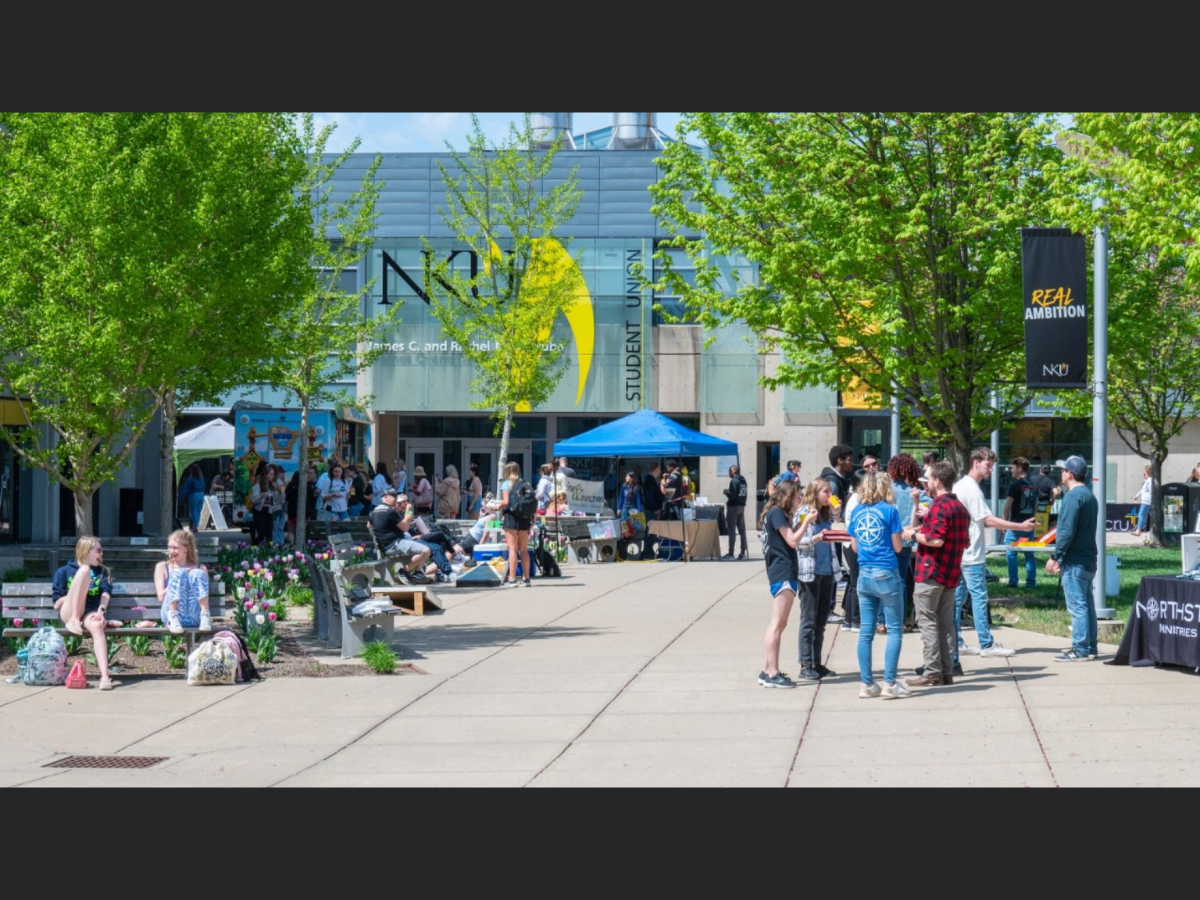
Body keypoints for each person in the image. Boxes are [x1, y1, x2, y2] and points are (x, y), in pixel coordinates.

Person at [952, 447, 1036, 663]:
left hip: (960, 553)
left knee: (957, 599)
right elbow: (988, 520)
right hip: (971, 555)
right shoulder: (972, 489)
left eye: (992, 465)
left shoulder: (961, 485)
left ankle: (956, 641)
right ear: (976, 462)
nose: (991, 470)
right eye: (988, 465)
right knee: (978, 597)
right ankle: (986, 643)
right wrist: (1019, 526)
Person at [903, 460, 969, 687]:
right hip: (951, 574)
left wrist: (911, 536)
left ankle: (932, 671)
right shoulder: (959, 507)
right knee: (945, 623)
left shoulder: (940, 506)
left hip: (931, 573)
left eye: (929, 478)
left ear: (938, 481)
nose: (926, 483)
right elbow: (963, 541)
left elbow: (937, 540)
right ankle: (946, 670)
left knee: (928, 622)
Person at [848, 471, 908, 699]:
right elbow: (898, 547)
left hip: (864, 574)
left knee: (865, 632)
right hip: (887, 574)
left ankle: (867, 684)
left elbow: (854, 547)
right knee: (894, 630)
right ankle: (890, 683)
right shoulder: (890, 511)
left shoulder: (856, 511)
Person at [1049, 455, 1100, 661]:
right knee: (1087, 606)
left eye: (1063, 470)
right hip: (1088, 558)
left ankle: (1080, 649)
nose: (1061, 473)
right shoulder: (1089, 495)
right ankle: (1091, 647)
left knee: (1077, 606)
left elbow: (1066, 531)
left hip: (1075, 560)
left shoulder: (1072, 497)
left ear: (1069, 474)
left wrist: (1056, 556)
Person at [51, 536, 118, 690]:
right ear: (86, 551)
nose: (101, 554)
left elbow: (105, 594)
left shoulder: (103, 571)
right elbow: (56, 604)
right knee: (84, 570)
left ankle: (105, 677)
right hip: (68, 612)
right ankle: (74, 619)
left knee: (96, 626)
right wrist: (78, 591)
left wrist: (101, 611)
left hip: (89, 612)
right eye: (98, 550)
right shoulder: (64, 571)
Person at [757, 478, 805, 688]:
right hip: (783, 571)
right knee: (778, 624)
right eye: (797, 495)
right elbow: (793, 540)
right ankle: (772, 672)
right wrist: (806, 522)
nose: (800, 498)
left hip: (779, 570)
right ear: (788, 496)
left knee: (777, 623)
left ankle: (767, 670)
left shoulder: (775, 513)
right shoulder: (776, 513)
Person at [795, 477, 838, 681]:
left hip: (826, 571)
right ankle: (805, 664)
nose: (829, 496)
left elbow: (834, 538)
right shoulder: (804, 513)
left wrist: (836, 516)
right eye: (826, 492)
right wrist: (816, 537)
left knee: (821, 621)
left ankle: (817, 662)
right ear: (815, 493)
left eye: (830, 492)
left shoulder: (825, 514)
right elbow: (796, 543)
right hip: (809, 572)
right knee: (808, 620)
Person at [887, 453, 928, 629]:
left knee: (884, 580)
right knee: (901, 580)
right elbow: (934, 505)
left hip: (885, 541)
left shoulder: (885, 491)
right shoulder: (916, 493)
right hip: (905, 541)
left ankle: (883, 620)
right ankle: (900, 620)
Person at [368, 488, 436, 584]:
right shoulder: (389, 511)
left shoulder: (375, 511)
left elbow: (369, 525)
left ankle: (417, 573)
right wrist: (407, 516)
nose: (396, 499)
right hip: (395, 544)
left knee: (421, 545)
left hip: (388, 544)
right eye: (393, 496)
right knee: (426, 550)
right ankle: (405, 571)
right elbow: (405, 528)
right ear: (386, 498)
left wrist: (382, 529)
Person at [820, 443, 856, 623]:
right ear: (839, 461)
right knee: (832, 569)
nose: (852, 463)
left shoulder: (834, 479)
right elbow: (832, 509)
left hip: (829, 532)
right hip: (831, 533)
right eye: (849, 460)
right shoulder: (833, 482)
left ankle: (828, 608)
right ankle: (828, 609)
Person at [159, 529, 212, 635]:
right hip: (171, 615)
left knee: (197, 573)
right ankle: (173, 616)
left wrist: (190, 581)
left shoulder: (201, 569)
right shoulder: (162, 567)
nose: (171, 551)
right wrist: (178, 582)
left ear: (186, 549)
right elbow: (161, 597)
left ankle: (205, 616)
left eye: (175, 548)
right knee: (178, 574)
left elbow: (204, 596)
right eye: (169, 547)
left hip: (194, 616)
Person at [1003, 456, 1039, 587]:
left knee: (1011, 553)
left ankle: (1013, 582)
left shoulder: (1015, 486)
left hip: (1015, 525)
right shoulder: (1034, 486)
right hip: (1029, 525)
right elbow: (1035, 506)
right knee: (1029, 555)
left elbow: (1007, 506)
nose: (1011, 470)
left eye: (1013, 467)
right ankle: (1031, 582)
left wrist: (1004, 521)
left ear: (1019, 468)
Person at [500, 461, 533, 588]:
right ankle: (526, 579)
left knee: (512, 549)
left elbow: (506, 502)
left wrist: (497, 506)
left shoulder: (506, 484)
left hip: (511, 518)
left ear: (507, 471)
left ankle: (512, 579)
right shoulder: (525, 483)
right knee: (524, 549)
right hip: (524, 518)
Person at [722, 464, 749, 560]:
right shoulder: (743, 480)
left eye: (729, 471)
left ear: (733, 471)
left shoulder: (734, 481)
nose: (729, 473)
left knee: (731, 530)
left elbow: (732, 495)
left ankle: (731, 554)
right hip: (741, 506)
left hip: (733, 507)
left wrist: (726, 492)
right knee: (742, 531)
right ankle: (743, 553)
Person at [250, 465, 276, 546]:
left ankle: (268, 552)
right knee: (262, 534)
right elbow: (253, 499)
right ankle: (252, 547)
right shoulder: (258, 485)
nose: (272, 476)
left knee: (269, 534)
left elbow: (273, 498)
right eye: (271, 474)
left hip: (268, 511)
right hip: (259, 511)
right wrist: (261, 496)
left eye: (273, 474)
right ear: (266, 475)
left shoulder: (271, 485)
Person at [181, 463, 206, 532]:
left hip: (194, 495)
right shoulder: (202, 478)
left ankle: (195, 526)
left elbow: (186, 489)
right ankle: (196, 525)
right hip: (201, 494)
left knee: (193, 511)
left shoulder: (191, 479)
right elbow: (204, 487)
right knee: (198, 511)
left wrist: (180, 498)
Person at [1131, 464, 1153, 537]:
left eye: (1144, 472)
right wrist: (1136, 496)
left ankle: (1138, 530)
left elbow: (1151, 491)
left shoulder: (1149, 481)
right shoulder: (1148, 480)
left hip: (1147, 501)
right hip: (1147, 501)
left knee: (1141, 514)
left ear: (1146, 472)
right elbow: (1142, 490)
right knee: (1149, 515)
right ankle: (1140, 530)